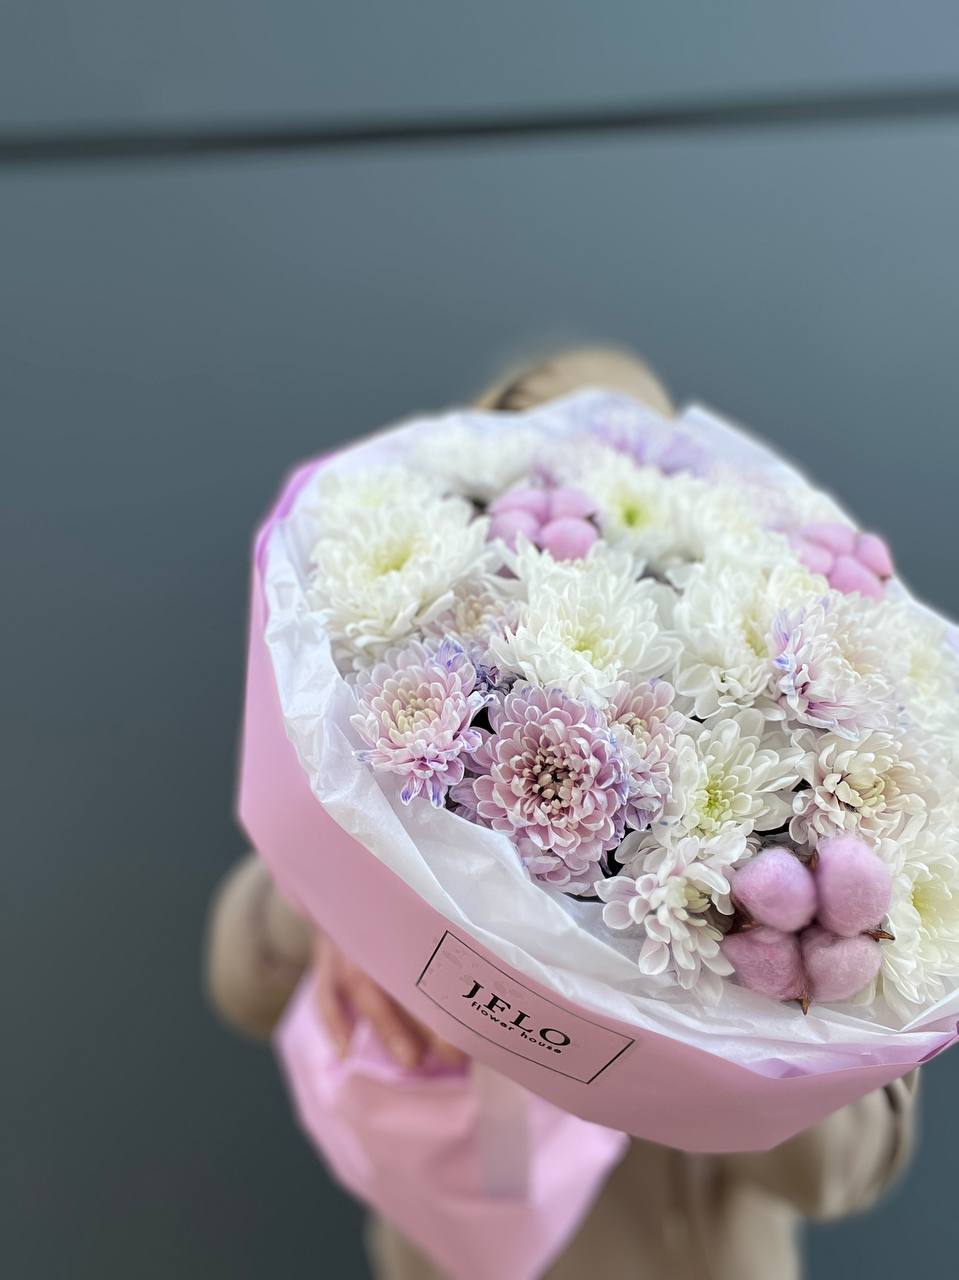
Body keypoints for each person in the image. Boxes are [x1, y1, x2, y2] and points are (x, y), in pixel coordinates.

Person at [205, 349, 918, 1280]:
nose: (586, 507)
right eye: (550, 469)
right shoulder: (388, 726)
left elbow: (844, 1174)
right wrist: (336, 909)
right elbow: (241, 983)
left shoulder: (817, 841)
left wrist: (717, 1025)